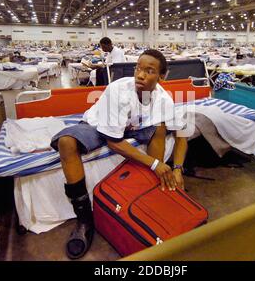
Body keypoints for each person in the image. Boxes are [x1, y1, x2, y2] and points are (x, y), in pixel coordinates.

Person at [50, 49, 188, 259]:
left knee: (160, 128)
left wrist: (178, 169)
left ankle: (151, 192)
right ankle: (85, 220)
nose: (140, 75)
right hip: (98, 124)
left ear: (162, 77)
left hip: (133, 126)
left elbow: (182, 135)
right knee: (66, 142)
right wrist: (154, 164)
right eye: (138, 68)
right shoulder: (118, 91)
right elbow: (113, 142)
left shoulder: (164, 98)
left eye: (149, 71)